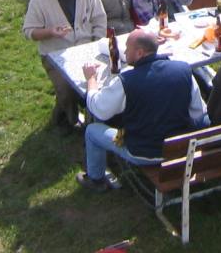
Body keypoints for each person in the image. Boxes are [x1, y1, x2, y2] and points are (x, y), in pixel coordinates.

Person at [76, 29, 209, 192]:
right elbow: (198, 113)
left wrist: (91, 79)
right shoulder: (184, 70)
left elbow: (99, 109)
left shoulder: (126, 81)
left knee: (92, 130)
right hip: (181, 147)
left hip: (143, 152)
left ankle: (96, 180)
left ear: (140, 53)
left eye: (127, 48)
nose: (124, 52)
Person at [22, 0, 107, 132]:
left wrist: (96, 45)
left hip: (87, 50)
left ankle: (94, 115)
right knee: (66, 89)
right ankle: (71, 120)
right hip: (55, 54)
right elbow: (29, 32)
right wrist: (50, 32)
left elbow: (100, 20)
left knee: (103, 78)